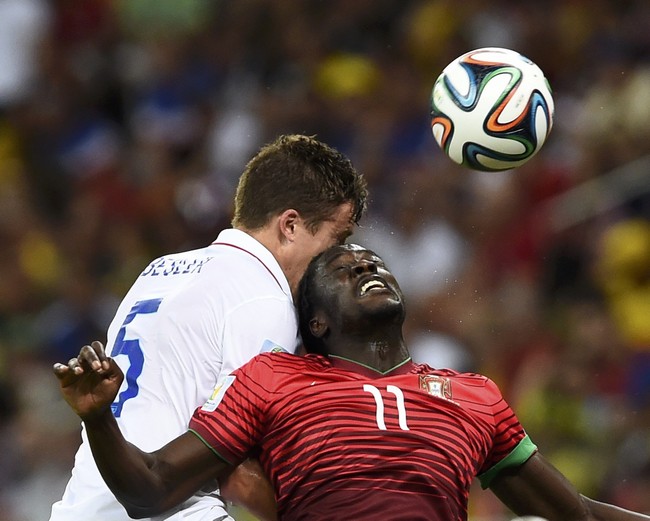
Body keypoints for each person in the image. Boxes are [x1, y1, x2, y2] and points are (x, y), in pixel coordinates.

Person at [54, 243, 650, 521]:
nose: (367, 265)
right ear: (316, 320)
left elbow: (577, 516)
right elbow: (149, 488)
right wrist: (97, 417)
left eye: (375, 262)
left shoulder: (474, 395)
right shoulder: (272, 381)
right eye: (345, 268)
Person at [49, 135, 368, 521]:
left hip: (84, 505)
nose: (339, 257)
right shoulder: (264, 296)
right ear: (290, 225)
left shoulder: (158, 270)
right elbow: (241, 471)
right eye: (337, 239)